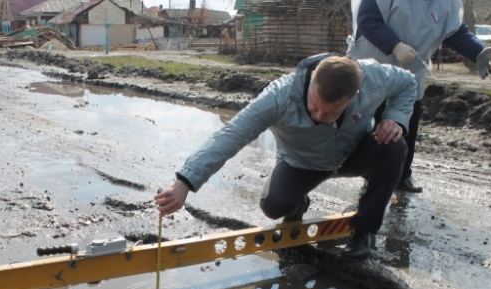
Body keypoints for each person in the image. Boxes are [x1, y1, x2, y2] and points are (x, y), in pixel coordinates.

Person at [154, 54, 417, 261]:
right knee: (274, 205)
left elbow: (408, 82)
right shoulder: (279, 96)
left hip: (353, 154)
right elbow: (231, 134)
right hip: (302, 163)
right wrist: (185, 181)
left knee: (395, 147)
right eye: (315, 107)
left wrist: (395, 118)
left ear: (354, 95)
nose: (319, 117)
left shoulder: (372, 77)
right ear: (313, 78)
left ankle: (362, 231)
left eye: (330, 113)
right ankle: (297, 204)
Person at [346, 0, 491, 193]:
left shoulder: (446, 2)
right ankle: (371, 176)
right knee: (373, 126)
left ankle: (402, 175)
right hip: (374, 68)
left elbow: (455, 31)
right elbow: (368, 20)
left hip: (412, 72)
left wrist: (478, 51)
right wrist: (395, 46)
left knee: (408, 126)